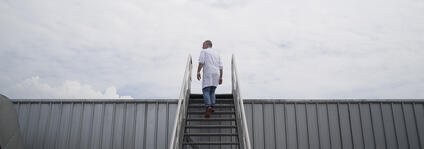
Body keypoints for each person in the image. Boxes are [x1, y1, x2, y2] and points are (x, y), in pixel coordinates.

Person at [197, 40, 223, 118]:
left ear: (207, 45)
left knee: (206, 90)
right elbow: (221, 67)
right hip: (216, 73)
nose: (202, 47)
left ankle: (208, 107)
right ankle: (212, 106)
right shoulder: (217, 54)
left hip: (208, 72)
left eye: (203, 45)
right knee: (212, 91)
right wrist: (221, 77)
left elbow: (201, 62)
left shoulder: (204, 51)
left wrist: (198, 71)